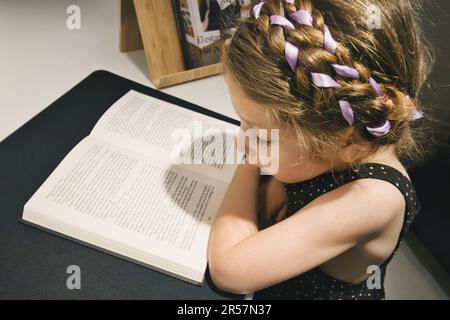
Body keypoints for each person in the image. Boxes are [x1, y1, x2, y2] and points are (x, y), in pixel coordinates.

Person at [207, 0, 434, 300]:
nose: (241, 142)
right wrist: (260, 145)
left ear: (348, 141)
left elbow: (230, 272)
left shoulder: (373, 201)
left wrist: (249, 163)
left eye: (262, 136)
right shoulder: (318, 152)